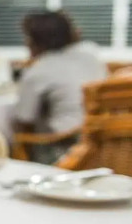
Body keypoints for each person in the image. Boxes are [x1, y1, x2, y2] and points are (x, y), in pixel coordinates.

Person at [13, 10, 107, 160]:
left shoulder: (39, 70)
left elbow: (23, 120)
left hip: (65, 151)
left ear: (35, 40)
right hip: (102, 146)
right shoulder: (91, 56)